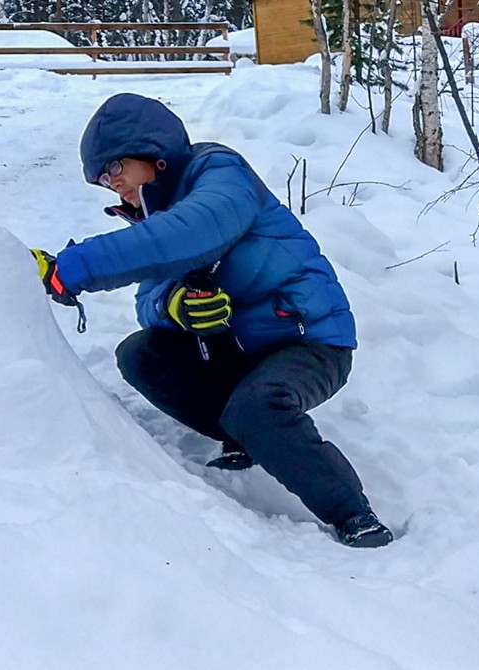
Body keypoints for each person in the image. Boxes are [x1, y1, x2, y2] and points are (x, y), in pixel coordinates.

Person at [32, 93, 394, 548]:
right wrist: (175, 305)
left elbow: (191, 233)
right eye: (103, 180)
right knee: (140, 354)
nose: (111, 185)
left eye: (114, 169)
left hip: (309, 340)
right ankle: (245, 436)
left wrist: (73, 267)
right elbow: (149, 299)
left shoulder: (221, 174)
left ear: (151, 152)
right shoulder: (155, 214)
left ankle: (353, 514)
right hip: (239, 352)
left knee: (258, 407)